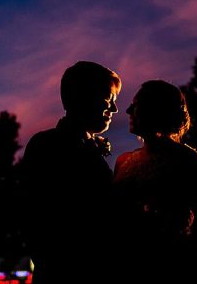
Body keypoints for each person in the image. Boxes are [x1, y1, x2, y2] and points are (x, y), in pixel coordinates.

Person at [112, 79, 197, 283]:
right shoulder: (123, 161)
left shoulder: (187, 160)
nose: (128, 110)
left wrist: (172, 252)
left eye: (137, 105)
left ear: (156, 110)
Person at [20, 61, 121, 284]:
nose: (114, 109)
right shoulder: (47, 146)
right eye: (108, 100)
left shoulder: (88, 148)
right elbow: (35, 219)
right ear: (82, 98)